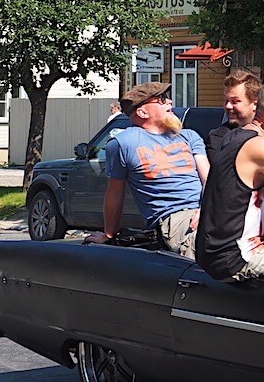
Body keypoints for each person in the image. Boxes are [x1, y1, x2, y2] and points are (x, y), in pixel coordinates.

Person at [196, 79, 264, 281]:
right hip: (237, 259)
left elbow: (260, 201)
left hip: (222, 256)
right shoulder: (257, 146)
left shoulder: (240, 135)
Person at [88, 82, 209, 257]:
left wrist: (206, 208)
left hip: (207, 210)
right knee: (214, 243)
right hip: (176, 219)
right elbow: (115, 193)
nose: (169, 102)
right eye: (161, 99)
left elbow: (209, 179)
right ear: (143, 112)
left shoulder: (189, 136)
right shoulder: (123, 143)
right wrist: (108, 235)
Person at [206, 69, 261, 155]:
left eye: (235, 101)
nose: (228, 106)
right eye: (226, 100)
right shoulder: (218, 138)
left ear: (254, 104)